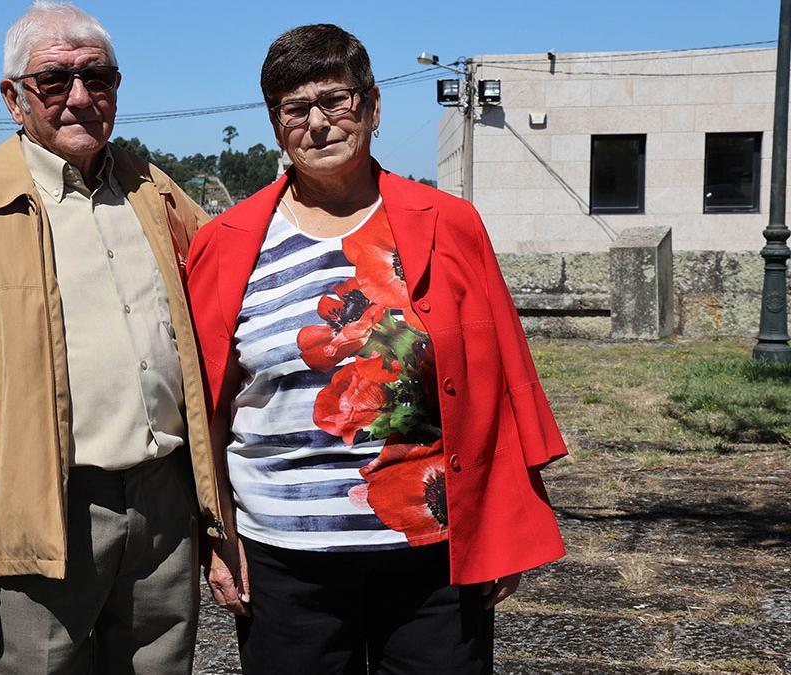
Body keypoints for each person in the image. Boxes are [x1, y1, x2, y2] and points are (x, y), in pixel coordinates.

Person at [186, 24, 567, 674]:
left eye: (336, 100)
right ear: (277, 126)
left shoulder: (449, 224)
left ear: (372, 106)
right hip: (283, 561)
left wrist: (506, 524)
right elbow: (207, 407)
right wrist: (216, 538)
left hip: (431, 558)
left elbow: (499, 382)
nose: (319, 123)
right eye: (296, 108)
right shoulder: (225, 242)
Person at [0, 3, 222, 672]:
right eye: (54, 81)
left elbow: (229, 289)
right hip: (40, 505)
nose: (80, 98)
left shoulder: (154, 193)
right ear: (13, 98)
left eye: (98, 78)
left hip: (162, 501)